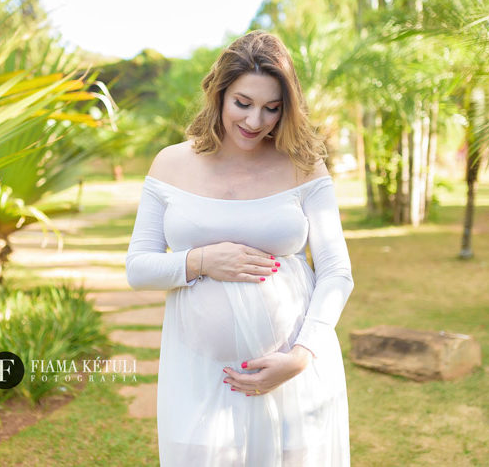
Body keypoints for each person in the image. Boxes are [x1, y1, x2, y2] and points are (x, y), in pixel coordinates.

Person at [125, 30, 354, 466]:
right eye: (243, 103)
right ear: (219, 94)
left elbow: (336, 271)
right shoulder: (171, 164)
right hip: (200, 373)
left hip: (292, 371)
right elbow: (138, 268)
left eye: (272, 108)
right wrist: (201, 261)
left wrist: (302, 355)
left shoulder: (304, 164)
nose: (255, 121)